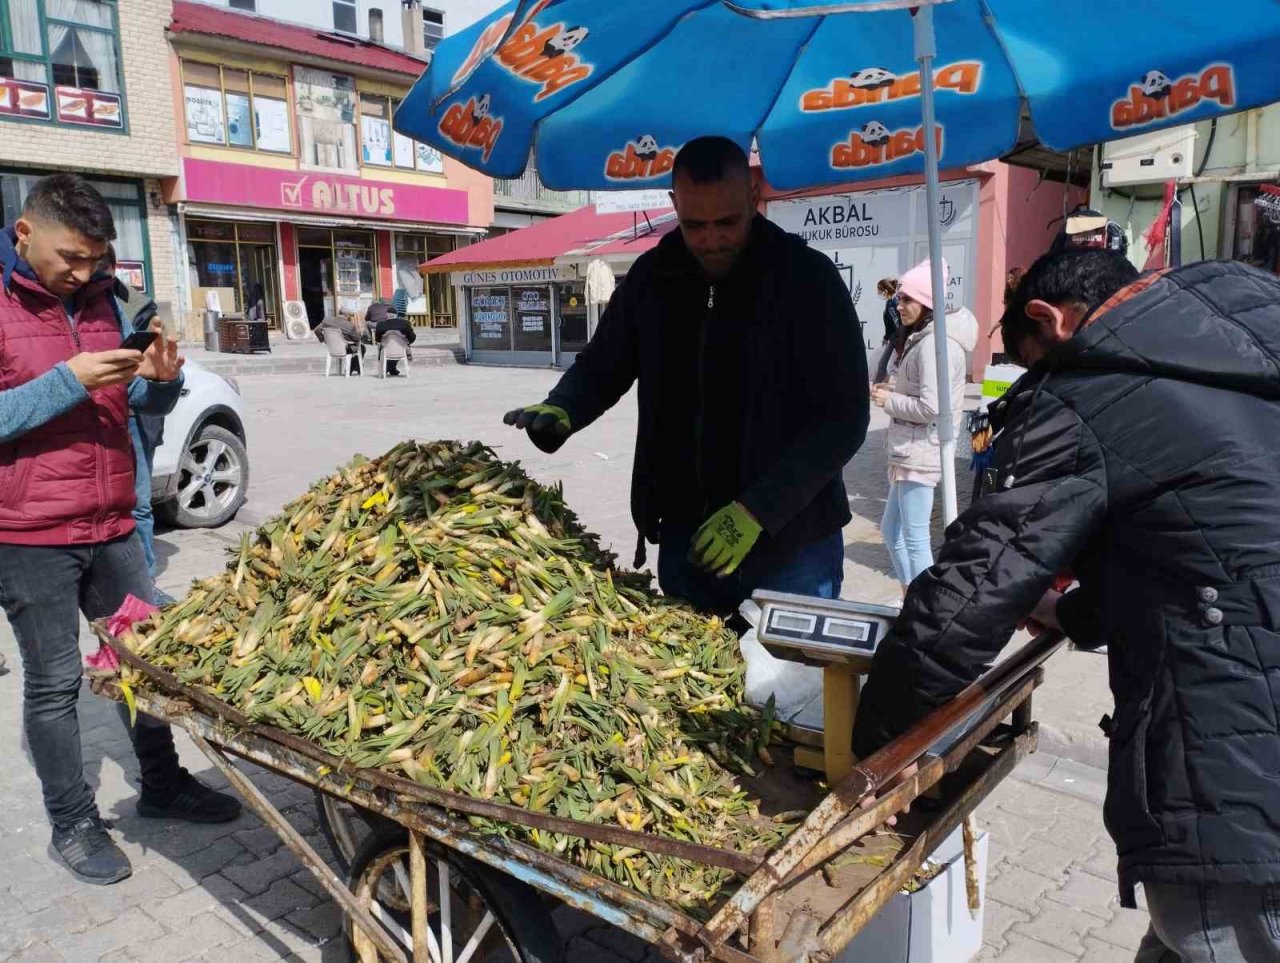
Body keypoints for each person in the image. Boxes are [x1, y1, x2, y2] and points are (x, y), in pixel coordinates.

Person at [853, 249, 1280, 962]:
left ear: (1049, 322)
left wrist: (868, 759)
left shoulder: (1096, 392)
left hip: (1239, 793)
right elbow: (1212, 553)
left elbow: (960, 607)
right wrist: (1075, 613)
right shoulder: (1242, 348)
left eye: (1034, 361)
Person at [503, 136, 868, 614]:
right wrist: (565, 406)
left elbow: (845, 418)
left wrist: (757, 511)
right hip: (686, 543)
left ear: (753, 195)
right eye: (694, 224)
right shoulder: (653, 278)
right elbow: (604, 363)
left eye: (727, 222)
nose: (712, 239)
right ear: (674, 204)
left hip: (792, 546)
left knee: (792, 688)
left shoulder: (809, 280)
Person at [0, 174, 240, 886]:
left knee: (148, 659)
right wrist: (68, 379)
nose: (82, 272)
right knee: (55, 682)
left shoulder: (105, 300)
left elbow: (133, 397)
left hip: (111, 521)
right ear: (24, 233)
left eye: (94, 260)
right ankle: (71, 822)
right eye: (70, 257)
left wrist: (159, 382)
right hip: (30, 531)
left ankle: (163, 784)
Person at [871, 259, 976, 591]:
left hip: (920, 453)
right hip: (909, 452)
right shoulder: (926, 338)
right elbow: (923, 392)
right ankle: (910, 602)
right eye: (899, 299)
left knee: (914, 539)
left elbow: (932, 407)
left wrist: (889, 401)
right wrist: (894, 390)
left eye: (906, 300)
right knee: (893, 533)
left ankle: (923, 611)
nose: (898, 306)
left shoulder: (933, 344)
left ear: (927, 303)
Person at [101, 245, 170, 603]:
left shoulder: (135, 307)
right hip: (98, 416)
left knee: (140, 502)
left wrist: (161, 378)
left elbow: (157, 370)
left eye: (100, 263)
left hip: (133, 417)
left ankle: (146, 585)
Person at [367, 301, 416, 376]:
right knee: (403, 346)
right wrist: (407, 342)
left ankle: (389, 368)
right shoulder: (405, 324)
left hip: (386, 350)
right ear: (396, 315)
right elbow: (412, 337)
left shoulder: (381, 325)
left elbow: (378, 340)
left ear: (387, 315)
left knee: (383, 348)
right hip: (402, 349)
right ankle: (391, 368)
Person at [316, 307, 367, 374]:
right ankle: (352, 368)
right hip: (344, 348)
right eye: (350, 316)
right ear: (347, 316)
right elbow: (357, 339)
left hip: (331, 348)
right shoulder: (349, 325)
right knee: (362, 347)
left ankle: (356, 368)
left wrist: (323, 339)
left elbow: (316, 330)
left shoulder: (327, 320)